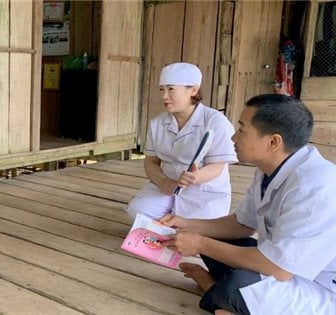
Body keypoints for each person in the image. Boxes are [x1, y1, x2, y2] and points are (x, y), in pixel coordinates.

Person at [161, 94, 336, 314]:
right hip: (281, 266)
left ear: (273, 142)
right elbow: (241, 224)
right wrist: (185, 223)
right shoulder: (268, 169)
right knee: (220, 243)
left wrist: (200, 244)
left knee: (239, 284)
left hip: (320, 288)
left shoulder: (315, 187)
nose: (234, 138)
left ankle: (214, 290)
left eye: (242, 130)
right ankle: (225, 301)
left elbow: (278, 269)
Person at [126, 62, 237, 220]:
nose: (164, 96)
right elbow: (151, 162)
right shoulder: (158, 122)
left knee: (199, 231)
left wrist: (195, 178)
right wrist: (163, 182)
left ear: (193, 90)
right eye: (162, 89)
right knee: (137, 212)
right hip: (168, 185)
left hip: (203, 189)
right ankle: (168, 220)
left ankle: (170, 223)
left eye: (171, 89)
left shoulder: (215, 121)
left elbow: (218, 166)